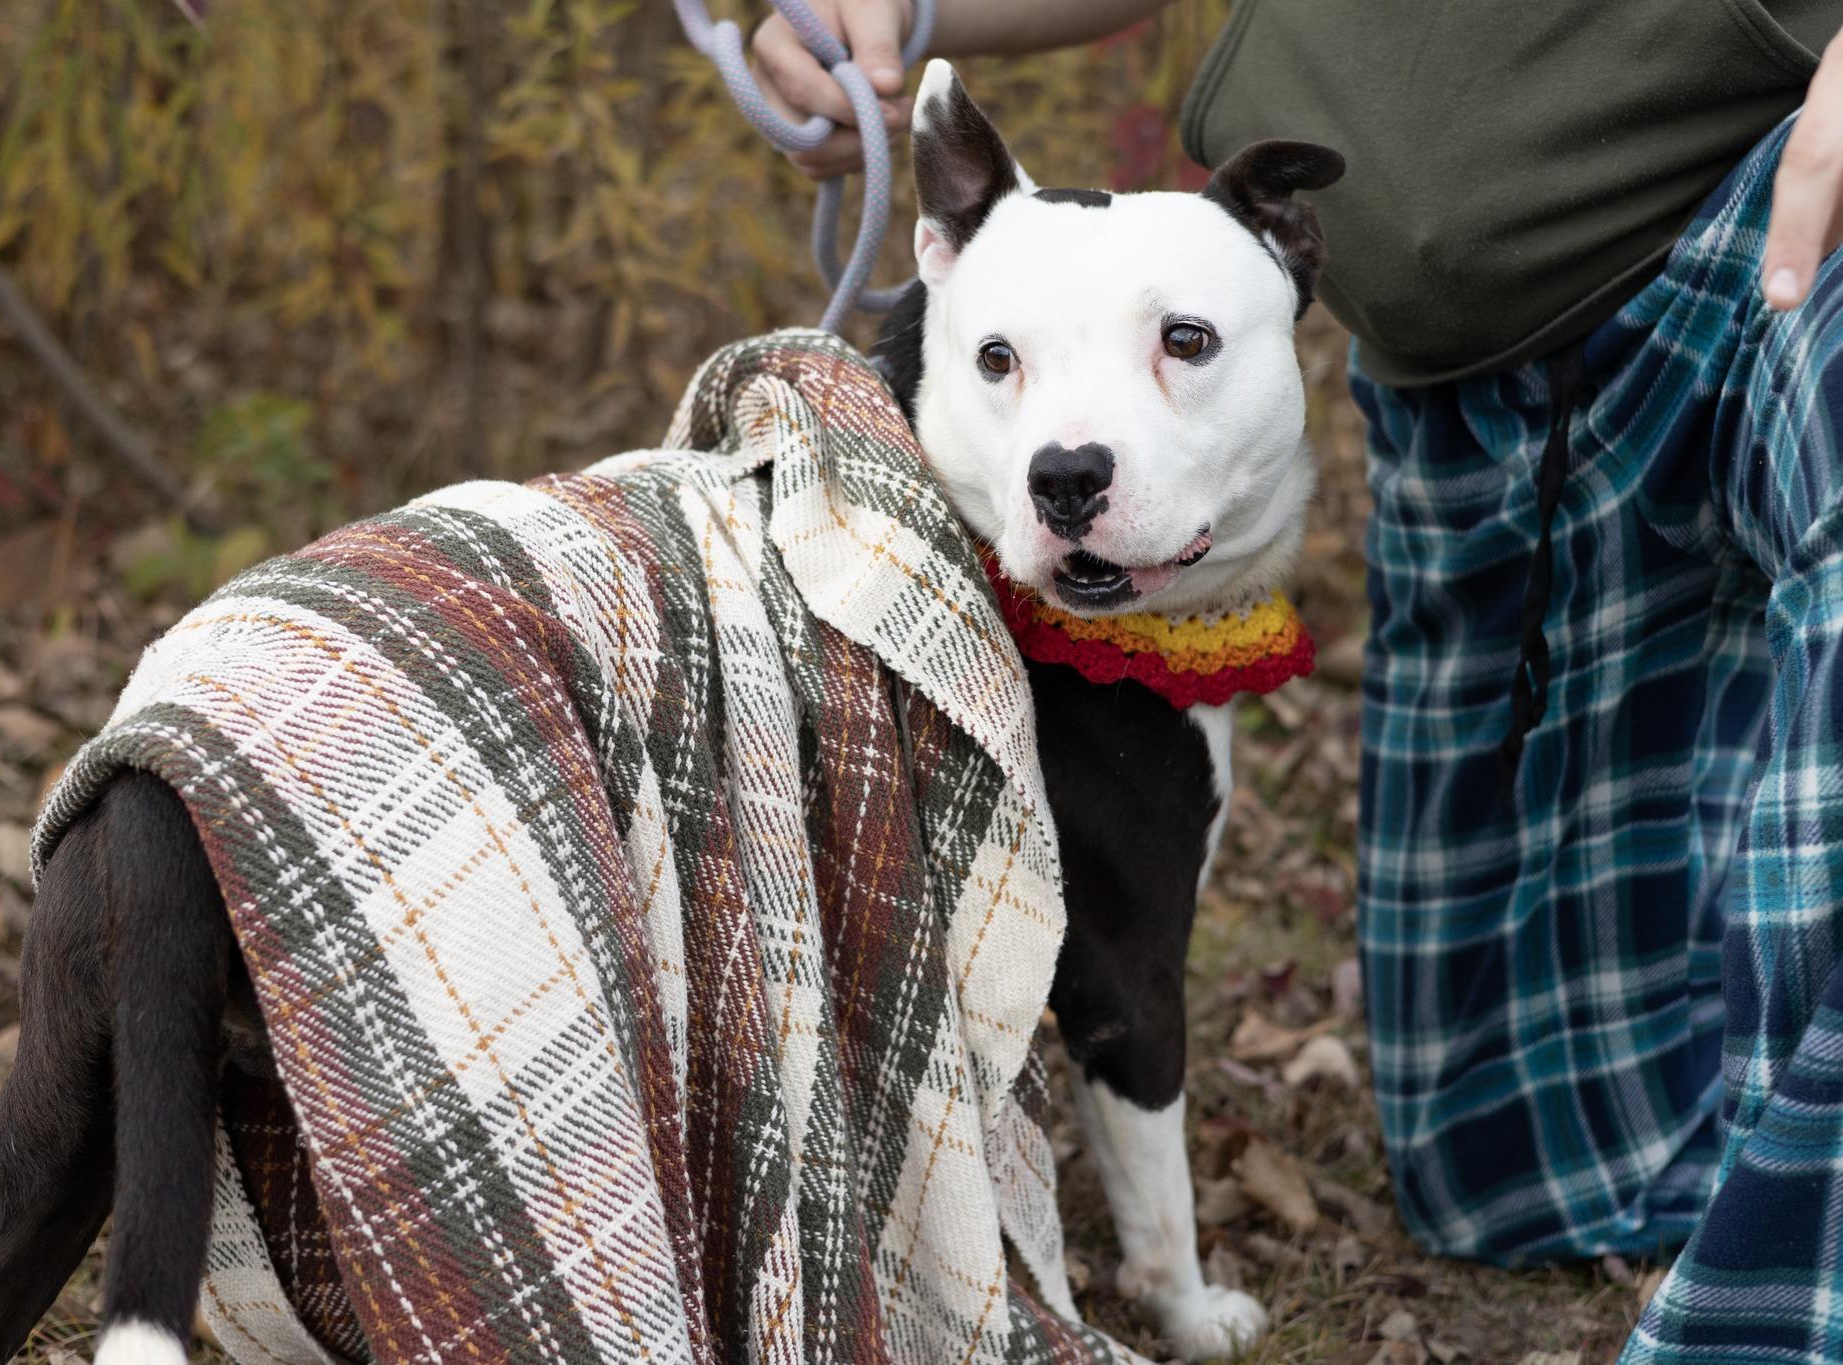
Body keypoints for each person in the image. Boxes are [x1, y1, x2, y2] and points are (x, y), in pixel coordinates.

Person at [752, 3, 1843, 1361]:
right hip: (1484, 392)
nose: (1070, 452)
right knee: (1512, 1169)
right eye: (1003, 366)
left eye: (1186, 348)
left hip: (1783, 227)